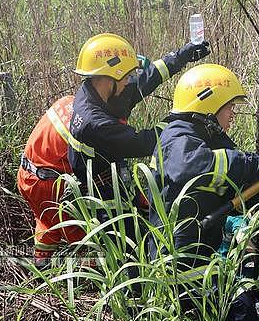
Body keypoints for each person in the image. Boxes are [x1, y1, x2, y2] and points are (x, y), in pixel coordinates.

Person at [18, 32, 210, 263]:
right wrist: (185, 120)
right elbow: (146, 142)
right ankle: (86, 276)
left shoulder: (96, 93)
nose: (130, 81)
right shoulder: (95, 124)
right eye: (127, 76)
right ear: (110, 77)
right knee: (88, 237)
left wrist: (181, 56)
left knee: (48, 223)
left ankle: (44, 261)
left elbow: (146, 80)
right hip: (45, 183)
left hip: (39, 169)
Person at [148, 63, 259, 321]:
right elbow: (196, 166)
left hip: (200, 256)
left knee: (247, 294)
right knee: (242, 311)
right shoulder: (177, 138)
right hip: (181, 264)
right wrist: (258, 166)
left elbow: (226, 183)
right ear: (208, 107)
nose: (233, 116)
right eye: (229, 107)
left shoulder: (201, 138)